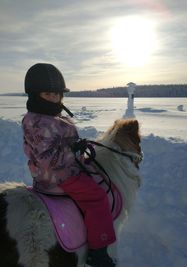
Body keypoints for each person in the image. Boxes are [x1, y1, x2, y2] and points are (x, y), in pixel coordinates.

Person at [22, 63, 116, 267]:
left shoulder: (49, 117)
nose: (55, 98)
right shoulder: (38, 122)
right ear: (35, 94)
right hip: (59, 176)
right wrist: (73, 150)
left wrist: (75, 146)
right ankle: (98, 253)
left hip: (62, 170)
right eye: (48, 93)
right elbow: (49, 158)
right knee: (97, 197)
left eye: (57, 93)